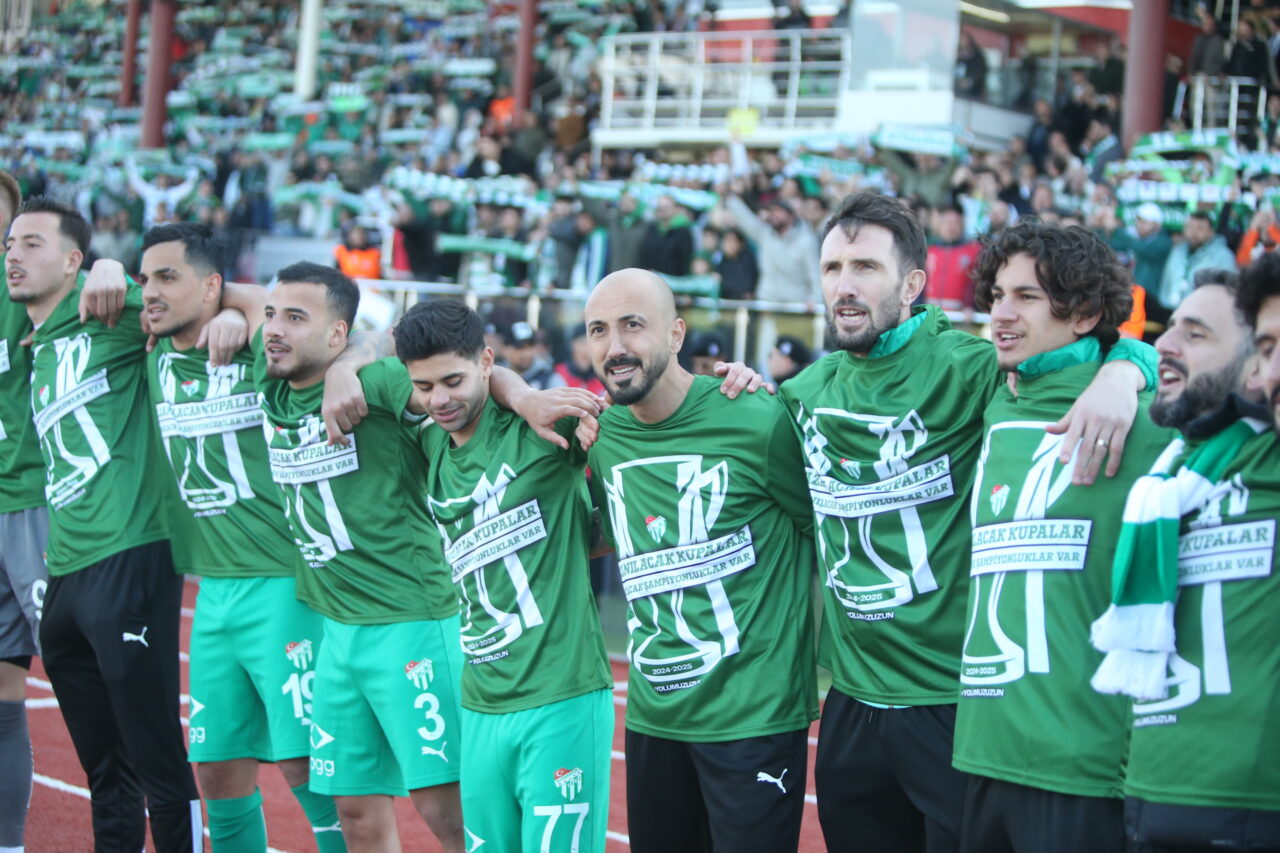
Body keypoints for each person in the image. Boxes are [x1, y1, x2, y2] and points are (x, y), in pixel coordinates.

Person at [777, 192, 1154, 853]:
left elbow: (1089, 347)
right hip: (851, 704)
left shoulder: (972, 367)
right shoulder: (803, 393)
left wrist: (1126, 370)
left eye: (865, 267)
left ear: (912, 284)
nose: (844, 286)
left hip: (953, 702)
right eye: (833, 267)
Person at [952, 222, 1173, 853]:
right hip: (980, 749)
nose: (1001, 313)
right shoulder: (993, 393)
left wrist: (1128, 368)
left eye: (1026, 297)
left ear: (1084, 314)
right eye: (997, 295)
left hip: (1084, 763)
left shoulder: (1142, 419)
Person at [582, 268, 818, 853]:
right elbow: (603, 533)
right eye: (598, 330)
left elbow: (825, 528)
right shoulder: (603, 434)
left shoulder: (756, 416)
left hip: (753, 719)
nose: (615, 347)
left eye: (633, 325)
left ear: (676, 334)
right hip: (654, 718)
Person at [134, 223, 346, 851]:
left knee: (309, 767)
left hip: (284, 582)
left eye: (168, 277)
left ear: (212, 286)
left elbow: (344, 333)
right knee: (217, 769)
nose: (151, 291)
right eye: (145, 278)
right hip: (214, 592)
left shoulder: (263, 345)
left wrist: (243, 308)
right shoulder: (150, 350)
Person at [7, 198, 201, 851]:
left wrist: (114, 267)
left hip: (131, 553)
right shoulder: (38, 340)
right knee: (106, 771)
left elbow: (208, 296)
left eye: (32, 243)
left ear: (72, 260)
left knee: (157, 757)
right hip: (64, 571)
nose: (13, 254)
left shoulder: (111, 312)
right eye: (9, 244)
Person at [395, 299, 614, 853]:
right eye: (424, 387)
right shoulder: (428, 442)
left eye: (453, 381)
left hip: (560, 695)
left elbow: (643, 419)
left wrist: (521, 397)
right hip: (480, 703)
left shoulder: (545, 424)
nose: (439, 400)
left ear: (487, 362)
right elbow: (360, 358)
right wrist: (514, 388)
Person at [1091, 260, 1280, 851]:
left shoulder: (1267, 455)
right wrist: (1123, 367)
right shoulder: (1169, 469)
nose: (1166, 345)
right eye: (1171, 328)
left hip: (1251, 806)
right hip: (1148, 792)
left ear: (1254, 366)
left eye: (1195, 334)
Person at [1156, 212, 1237, 314]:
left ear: (1211, 232)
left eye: (1200, 228)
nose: (1193, 233)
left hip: (1204, 315)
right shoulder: (1178, 251)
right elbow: (1167, 281)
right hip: (1172, 312)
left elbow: (1229, 291)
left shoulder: (1224, 256)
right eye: (1190, 227)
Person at [925, 204, 982, 312]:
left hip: (960, 316)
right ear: (940, 224)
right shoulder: (930, 251)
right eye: (947, 222)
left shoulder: (973, 251)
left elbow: (977, 284)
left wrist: (970, 306)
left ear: (962, 224)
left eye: (956, 222)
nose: (951, 227)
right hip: (930, 314)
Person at [505, 321, 566, 390]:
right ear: (506, 350)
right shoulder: (499, 376)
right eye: (520, 348)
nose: (527, 353)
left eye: (531, 346)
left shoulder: (550, 378)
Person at [555, 326, 606, 395]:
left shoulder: (603, 376)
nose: (587, 348)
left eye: (590, 344)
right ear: (572, 345)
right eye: (583, 343)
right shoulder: (558, 374)